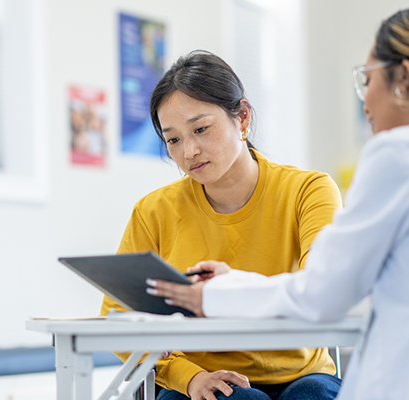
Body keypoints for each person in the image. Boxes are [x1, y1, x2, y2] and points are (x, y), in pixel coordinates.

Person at [148, 4, 409, 400]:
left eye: (367, 79)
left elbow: (323, 292)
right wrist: (233, 284)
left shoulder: (403, 153)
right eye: (173, 139)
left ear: (403, 78)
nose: (364, 99)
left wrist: (214, 296)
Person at [101, 50, 344, 400]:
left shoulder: (308, 190)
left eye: (200, 129)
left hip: (300, 374)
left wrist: (232, 290)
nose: (189, 151)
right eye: (173, 139)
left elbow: (322, 288)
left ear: (242, 117)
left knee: (313, 395)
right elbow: (117, 313)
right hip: (197, 380)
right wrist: (186, 375)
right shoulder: (154, 210)